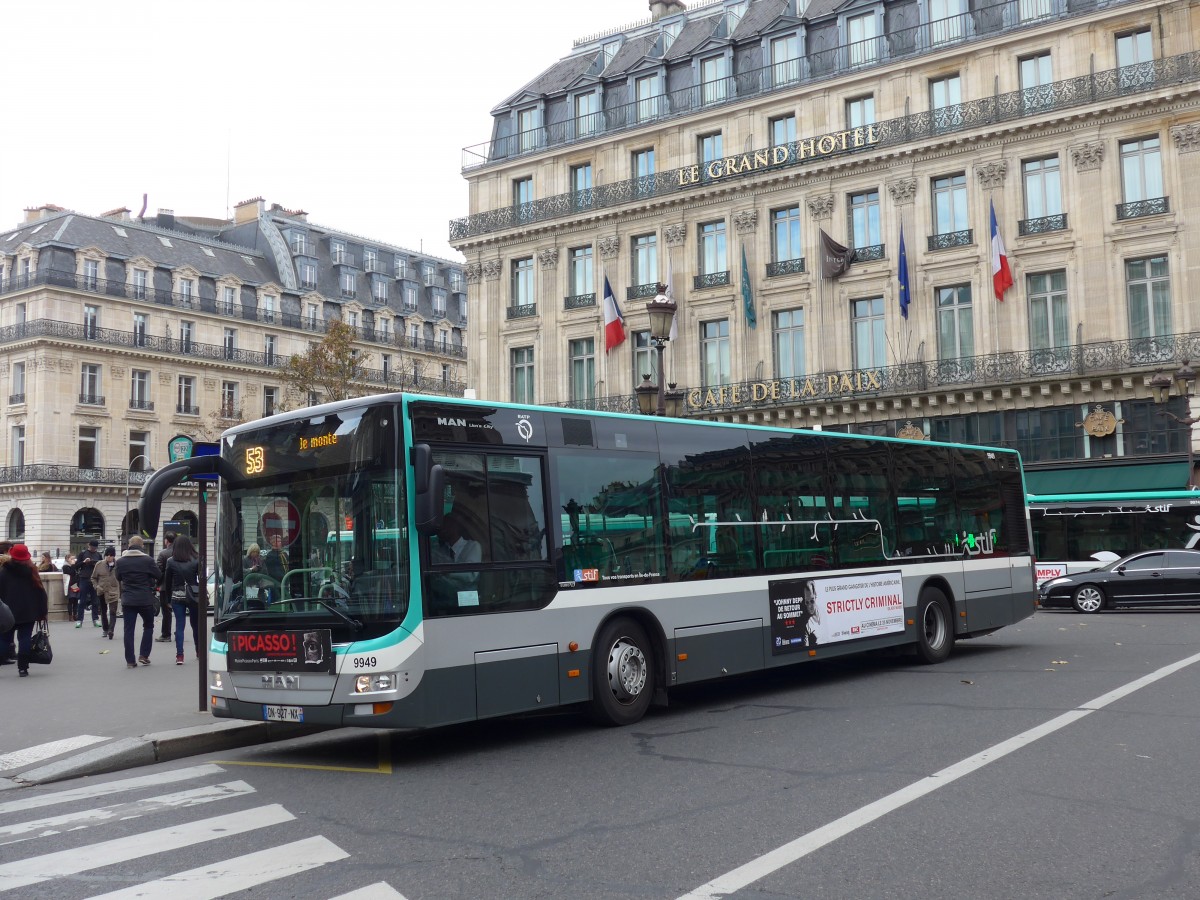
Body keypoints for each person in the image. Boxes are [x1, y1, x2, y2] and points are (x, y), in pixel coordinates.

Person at [0, 544, 49, 677]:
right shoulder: (31, 572)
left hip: (7, 613)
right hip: (28, 612)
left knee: (4, 639)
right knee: (25, 638)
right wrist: (42, 612)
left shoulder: (3, 572)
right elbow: (41, 594)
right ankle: (23, 668)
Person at [115, 535, 161, 668]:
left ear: (129, 545)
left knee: (128, 630)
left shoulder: (121, 561)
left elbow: (118, 577)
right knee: (148, 626)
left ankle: (130, 660)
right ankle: (144, 655)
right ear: (142, 546)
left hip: (128, 599)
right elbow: (158, 575)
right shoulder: (148, 560)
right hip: (145, 598)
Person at [430, 512, 482, 611]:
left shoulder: (473, 546)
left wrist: (447, 573)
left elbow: (471, 576)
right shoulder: (440, 551)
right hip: (446, 603)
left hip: (468, 602)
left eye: (445, 526)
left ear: (455, 527)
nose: (441, 530)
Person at [164, 534, 201, 665]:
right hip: (193, 596)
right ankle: (198, 651)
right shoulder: (196, 559)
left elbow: (167, 582)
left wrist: (168, 599)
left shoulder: (171, 561)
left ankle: (180, 655)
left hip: (177, 596)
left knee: (180, 626)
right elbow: (202, 579)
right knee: (196, 625)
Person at [74, 539, 104, 630]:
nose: (93, 549)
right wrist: (84, 562)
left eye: (95, 548)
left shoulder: (98, 555)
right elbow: (76, 566)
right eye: (92, 547)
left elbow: (102, 566)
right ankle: (79, 620)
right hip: (84, 578)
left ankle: (95, 619)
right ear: (89, 545)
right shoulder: (82, 554)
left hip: (95, 579)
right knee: (82, 600)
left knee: (95, 600)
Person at [91, 546, 119, 640]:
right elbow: (93, 578)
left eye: (110, 556)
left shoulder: (118, 565)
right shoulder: (99, 564)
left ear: (114, 556)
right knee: (103, 611)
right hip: (102, 590)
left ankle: (111, 630)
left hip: (113, 590)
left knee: (112, 611)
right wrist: (96, 586)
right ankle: (105, 629)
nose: (108, 557)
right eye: (107, 555)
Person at [154, 531, 175, 642]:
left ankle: (166, 634)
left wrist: (157, 583)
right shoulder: (181, 553)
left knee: (166, 611)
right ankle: (179, 631)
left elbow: (159, 571)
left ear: (166, 540)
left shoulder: (163, 554)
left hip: (165, 586)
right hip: (178, 586)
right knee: (180, 611)